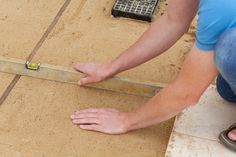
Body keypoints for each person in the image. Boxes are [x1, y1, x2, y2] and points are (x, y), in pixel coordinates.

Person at [70, 0, 236, 151]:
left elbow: (187, 94)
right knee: (227, 88)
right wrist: (111, 68)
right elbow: (174, 20)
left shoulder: (221, 7)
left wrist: (126, 121)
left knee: (229, 51)